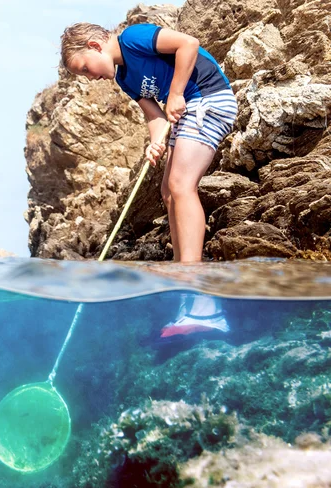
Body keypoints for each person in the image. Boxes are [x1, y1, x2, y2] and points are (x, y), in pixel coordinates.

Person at [60, 22, 236, 337]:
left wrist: (178, 92)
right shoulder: (125, 79)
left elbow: (189, 43)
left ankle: (191, 277)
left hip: (207, 99)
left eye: (85, 68)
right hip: (186, 110)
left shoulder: (134, 38)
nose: (90, 77)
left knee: (182, 186)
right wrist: (155, 142)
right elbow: (155, 117)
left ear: (95, 45)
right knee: (168, 192)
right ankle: (196, 304)